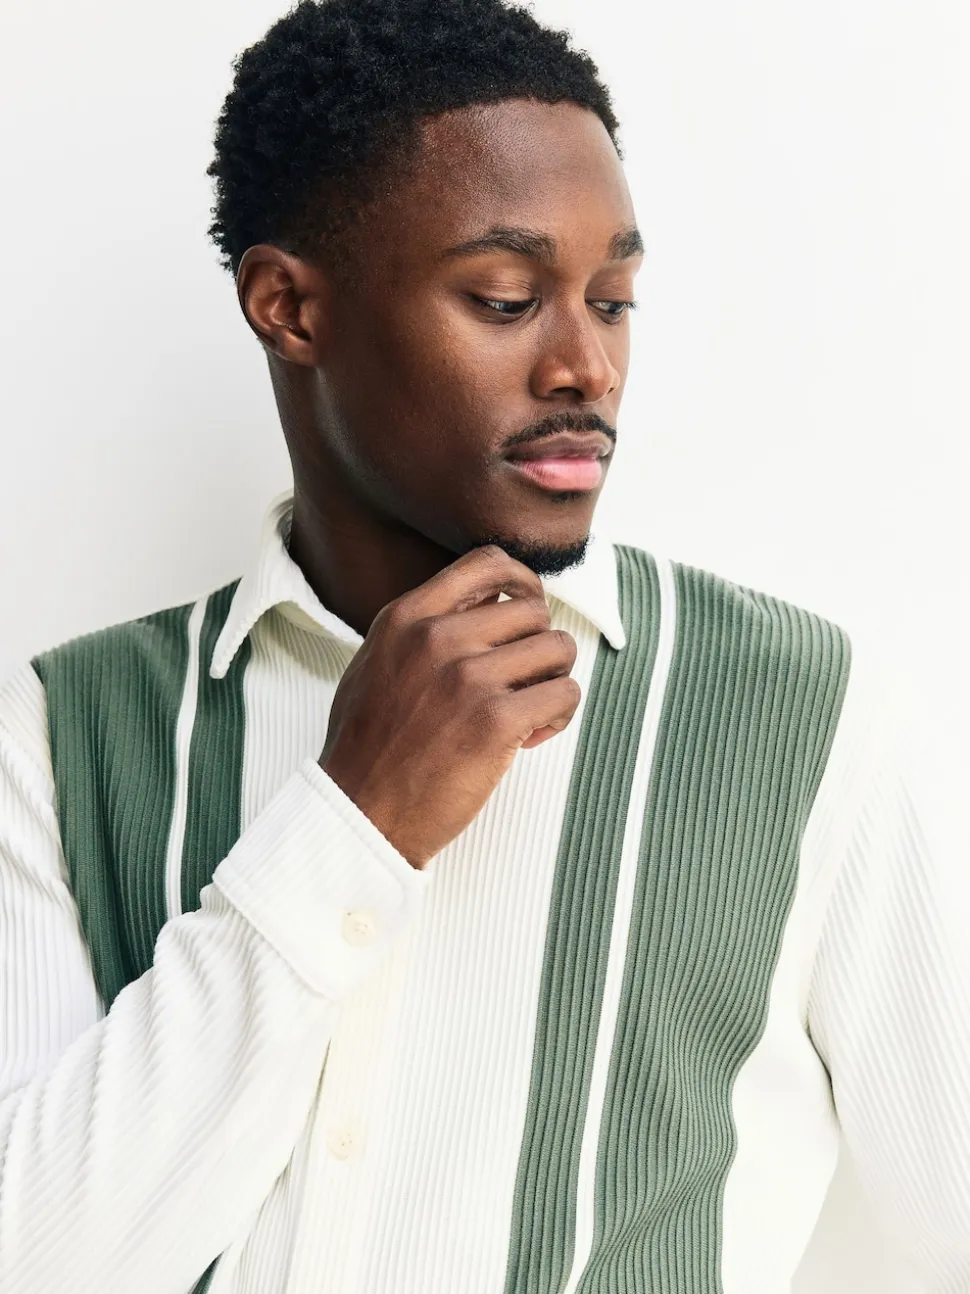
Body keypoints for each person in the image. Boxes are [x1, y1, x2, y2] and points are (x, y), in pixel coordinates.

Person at [1, 0, 967, 1290]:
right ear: (289, 307)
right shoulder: (60, 734)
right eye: (506, 299)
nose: (587, 367)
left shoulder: (808, 719)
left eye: (613, 300)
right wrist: (352, 823)